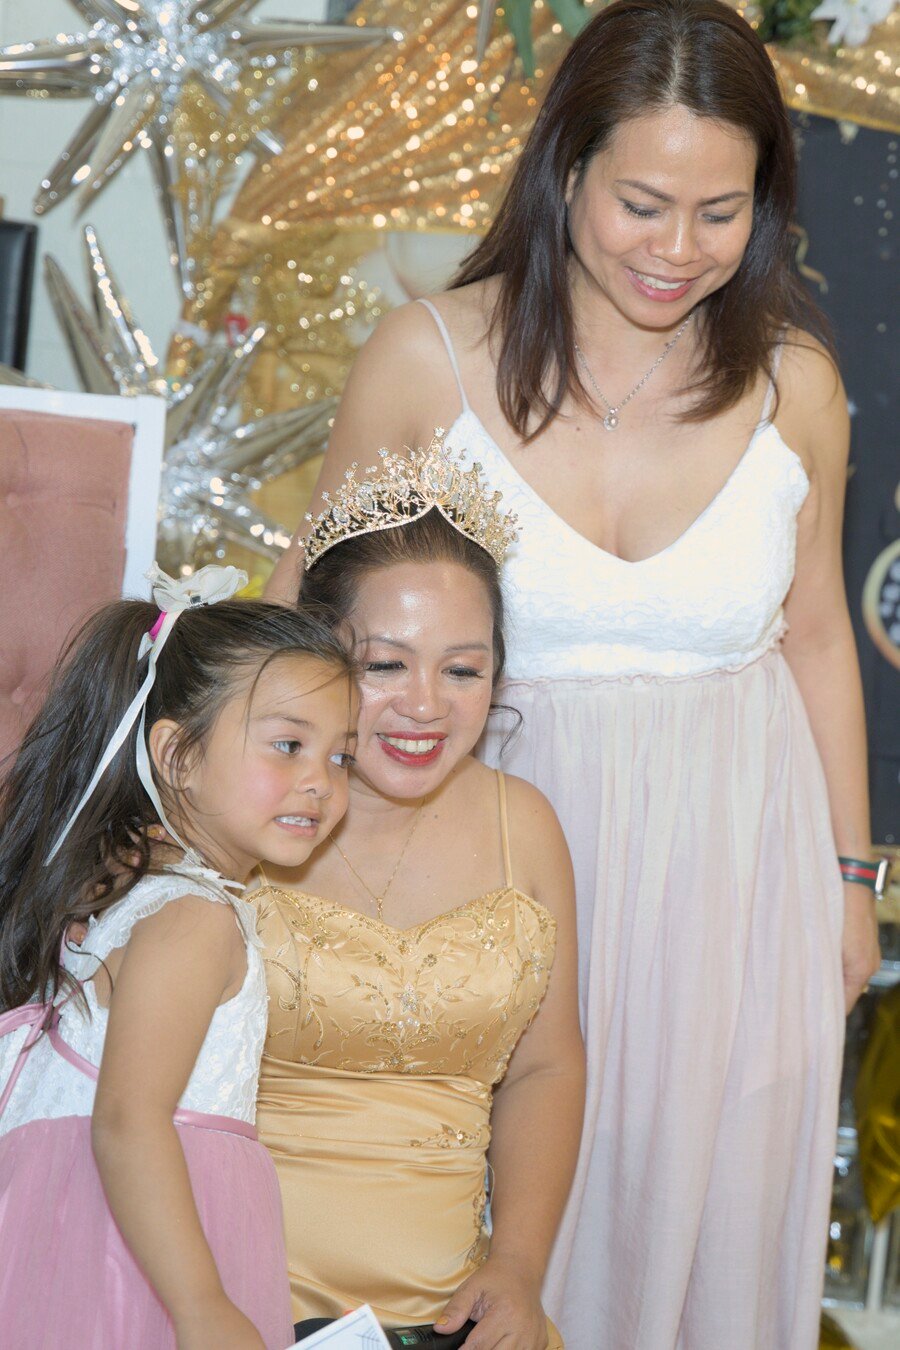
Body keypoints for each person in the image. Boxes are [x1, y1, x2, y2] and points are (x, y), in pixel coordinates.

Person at [267, 2, 883, 1345]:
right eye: (642, 204)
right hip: (489, 880)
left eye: (720, 213)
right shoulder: (429, 361)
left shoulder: (796, 386)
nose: (678, 250)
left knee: (714, 1242)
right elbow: (304, 622)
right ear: (566, 173)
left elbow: (819, 635)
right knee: (496, 1254)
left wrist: (850, 885)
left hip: (740, 887)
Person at [256, 439, 585, 1350]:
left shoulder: (528, 826)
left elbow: (547, 1067)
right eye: (386, 666)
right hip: (239, 1292)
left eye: (463, 670)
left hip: (453, 1312)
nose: (426, 705)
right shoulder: (247, 820)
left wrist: (518, 1266)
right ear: (318, 654)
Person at [0, 564, 358, 1350]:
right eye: (289, 745)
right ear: (177, 755)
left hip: (87, 1234)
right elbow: (129, 1121)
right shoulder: (196, 919)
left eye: (341, 757)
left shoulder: (128, 890)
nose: (320, 783)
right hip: (140, 1260)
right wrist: (200, 1306)